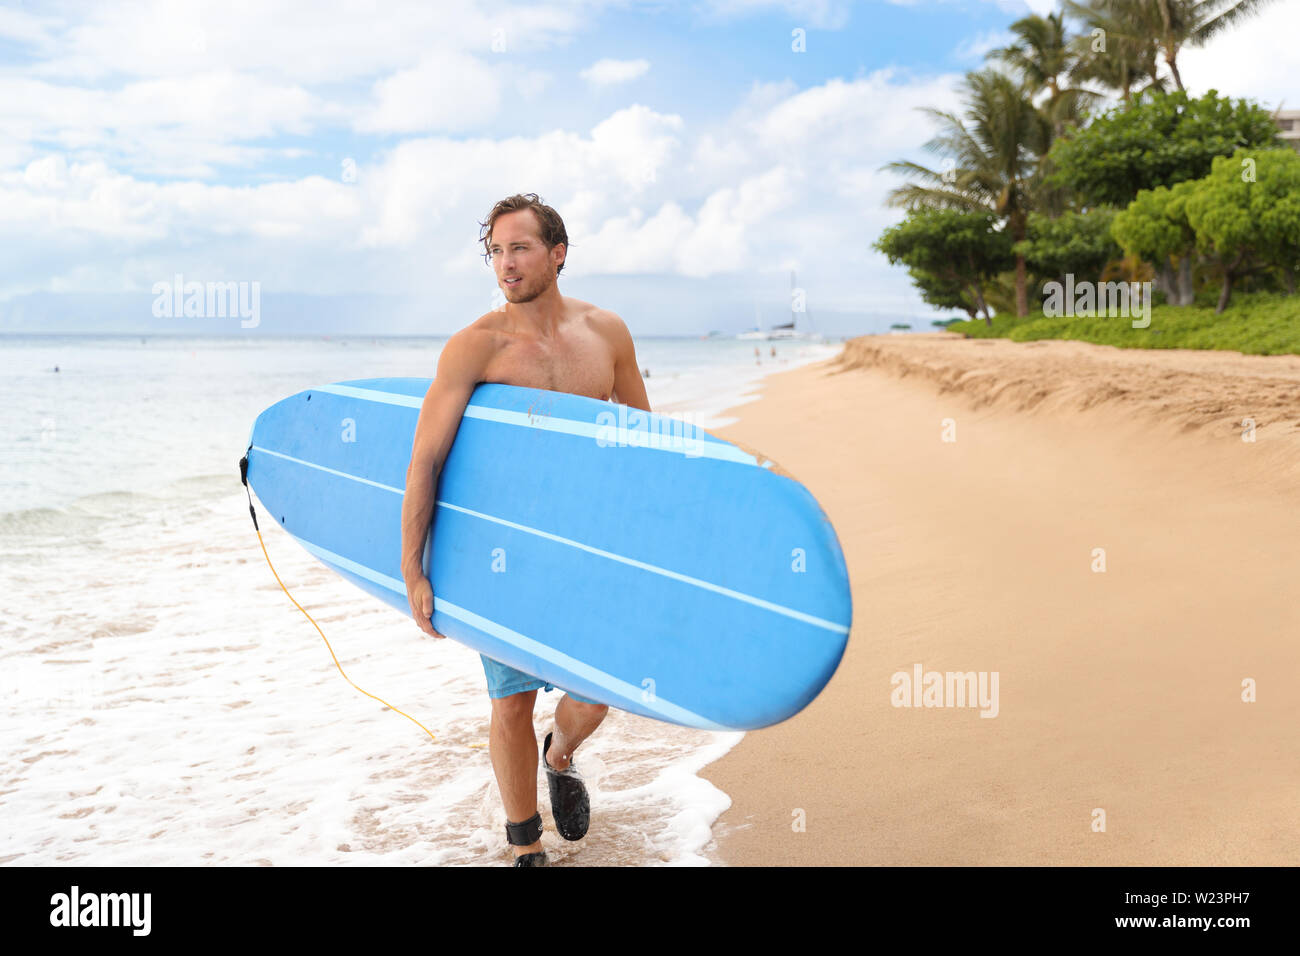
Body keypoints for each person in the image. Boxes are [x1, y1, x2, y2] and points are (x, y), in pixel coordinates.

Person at [400, 193, 651, 866]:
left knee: (599, 692)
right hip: (501, 552)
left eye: (520, 248)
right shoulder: (475, 347)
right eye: (496, 251)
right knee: (510, 702)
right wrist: (413, 568)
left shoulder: (606, 334)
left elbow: (642, 444)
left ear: (557, 253)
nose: (505, 264)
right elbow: (425, 458)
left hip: (585, 542)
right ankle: (524, 846)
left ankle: (561, 752)